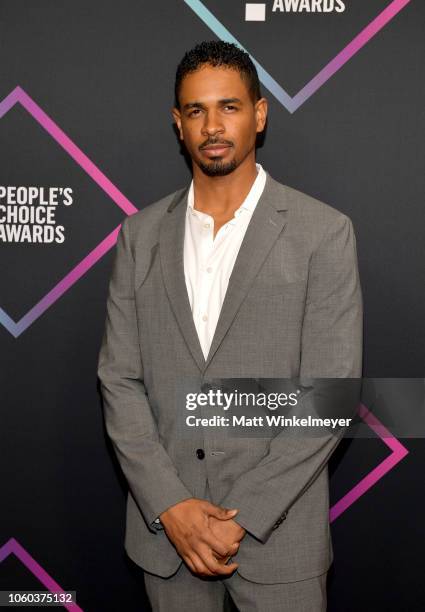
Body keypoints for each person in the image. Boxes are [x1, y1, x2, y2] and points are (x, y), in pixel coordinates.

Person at [97, 40, 363, 611]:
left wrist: (238, 520)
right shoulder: (139, 238)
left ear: (259, 114)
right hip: (168, 541)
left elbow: (328, 399)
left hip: (280, 541)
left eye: (229, 107)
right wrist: (172, 506)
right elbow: (119, 381)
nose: (212, 125)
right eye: (196, 110)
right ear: (178, 122)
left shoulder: (323, 233)